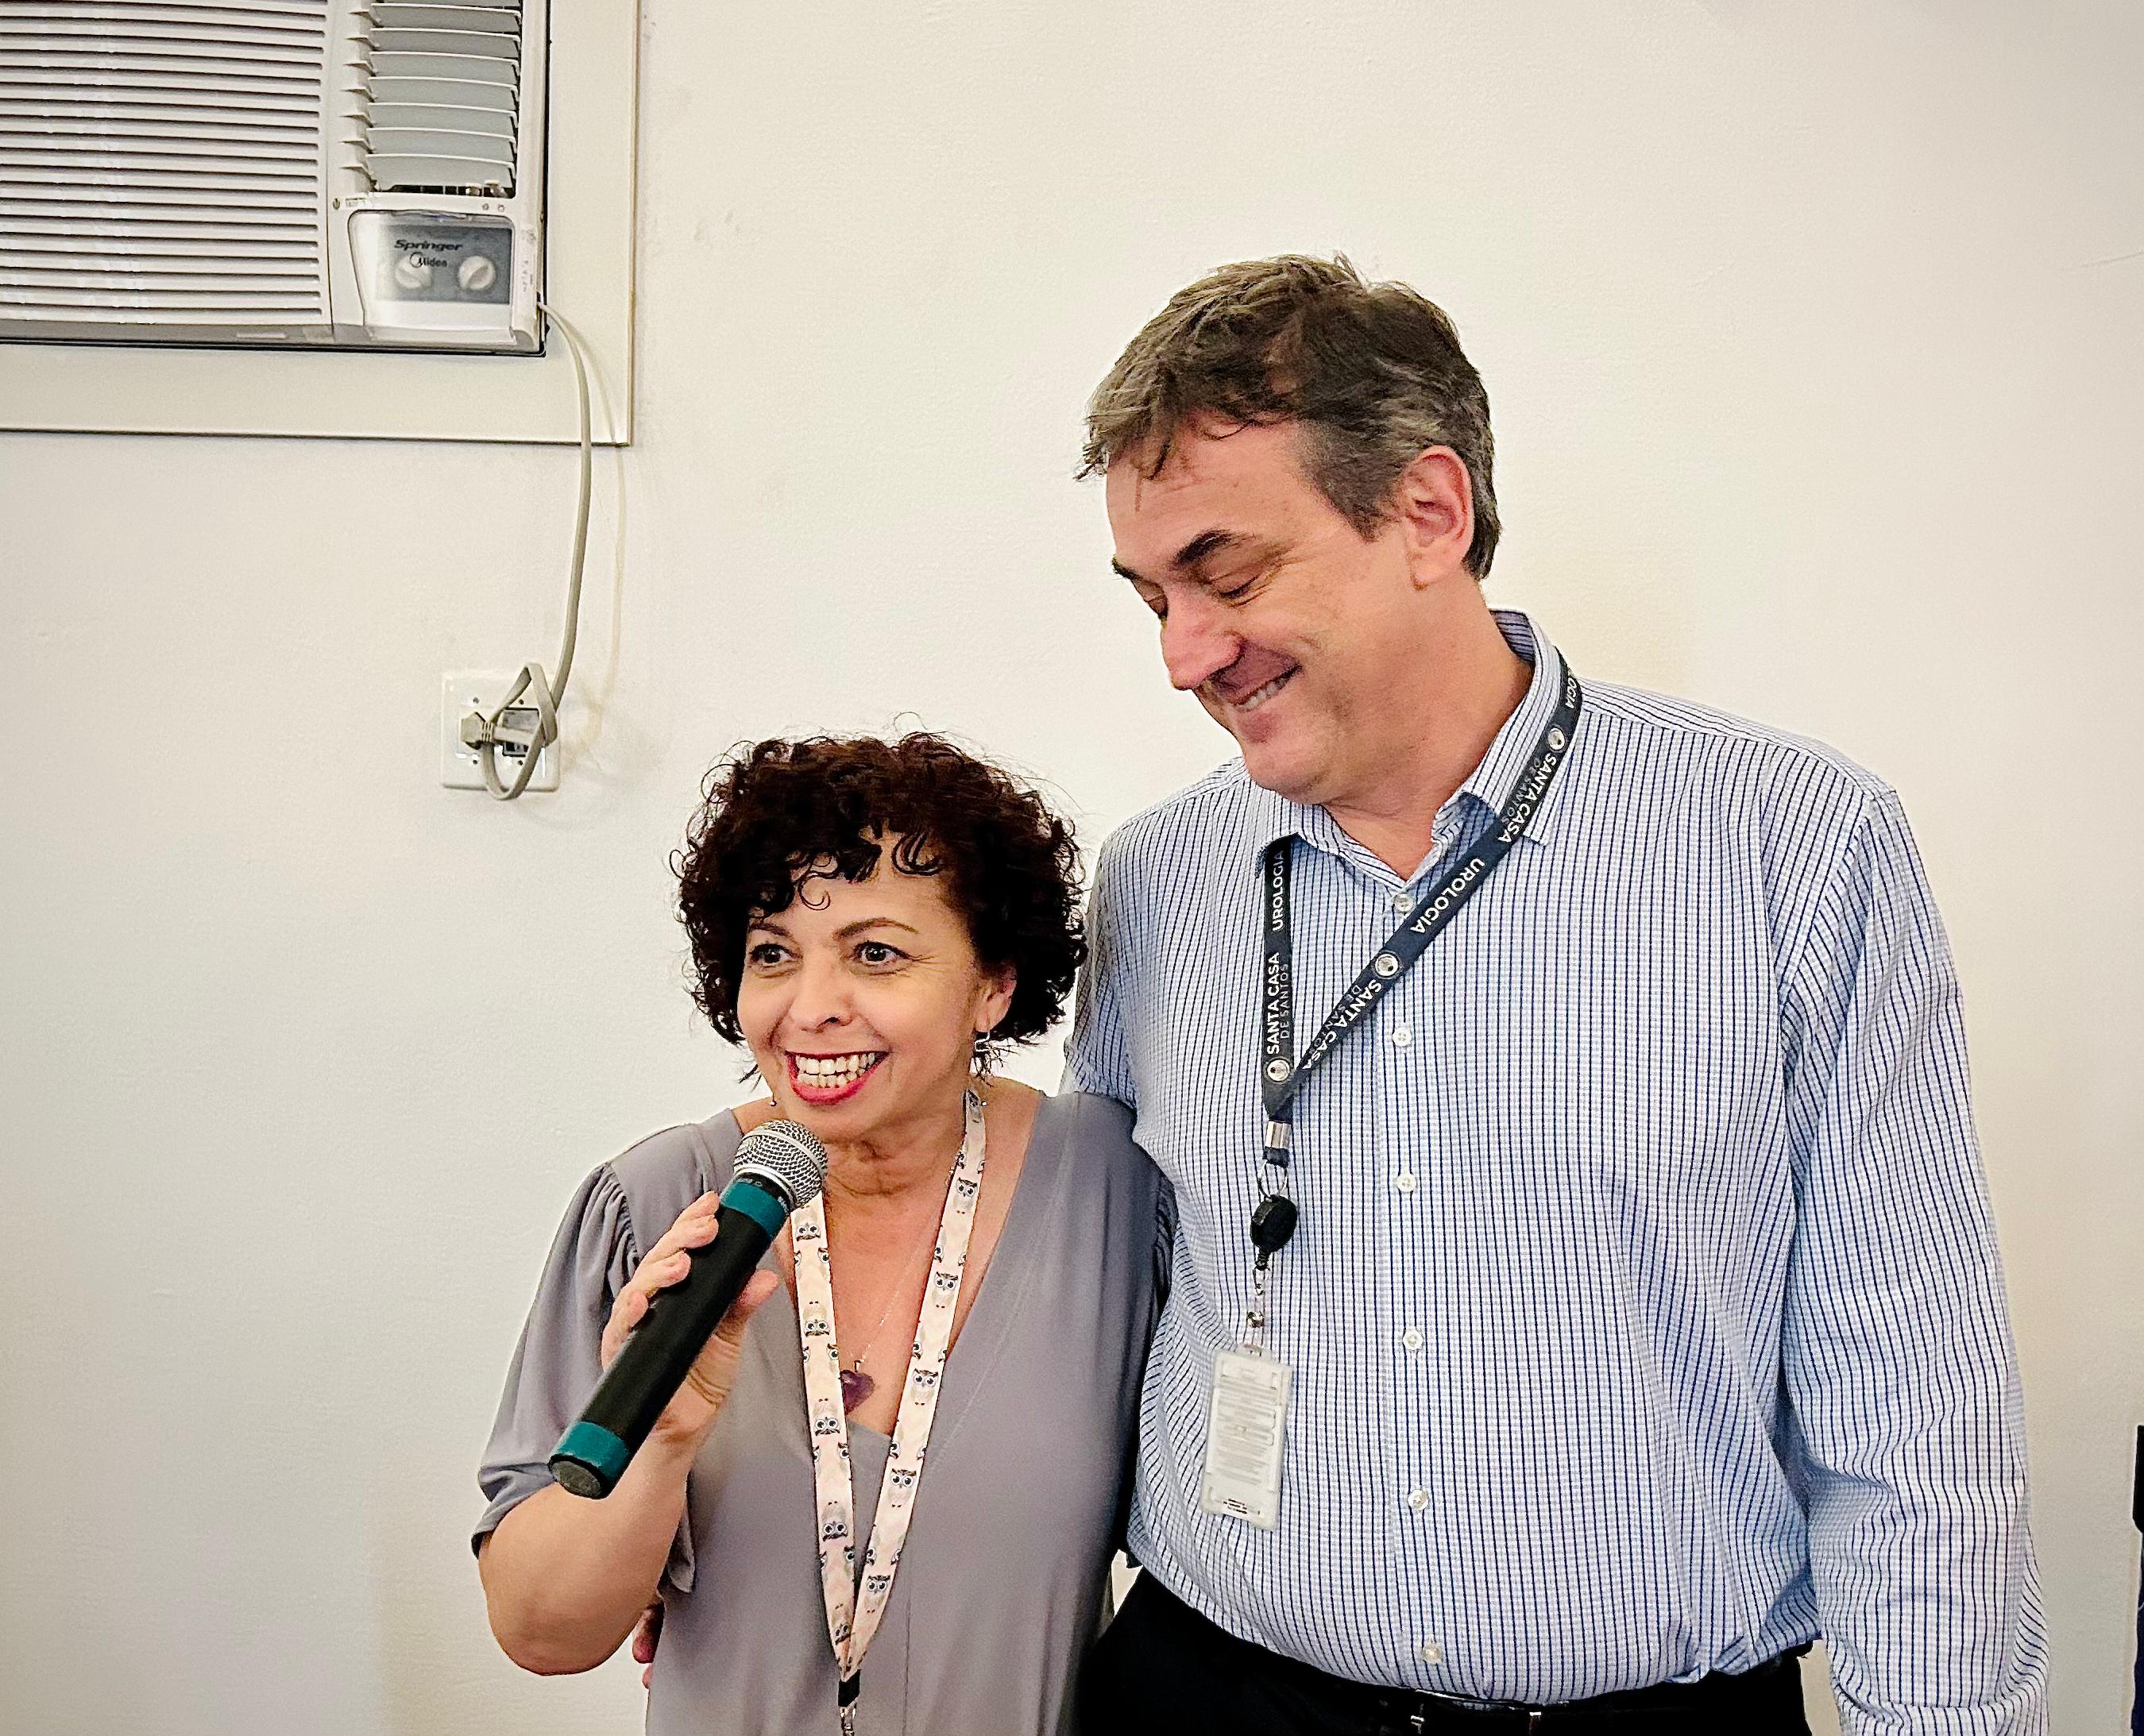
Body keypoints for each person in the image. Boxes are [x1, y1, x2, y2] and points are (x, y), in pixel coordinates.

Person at [1066, 256, 2049, 1734]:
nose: (1182, 655)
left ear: (1427, 512)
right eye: (1153, 597)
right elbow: (1079, 1321)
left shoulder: (1794, 848)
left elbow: (1913, 1409)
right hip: (1206, 1700)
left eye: (1230, 574)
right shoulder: (1152, 884)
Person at [474, 734, 1160, 1735]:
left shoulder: (1113, 1188)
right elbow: (542, 1631)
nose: (811, 1008)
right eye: (772, 953)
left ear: (993, 983)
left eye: (876, 953)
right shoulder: (654, 1203)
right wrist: (662, 1448)